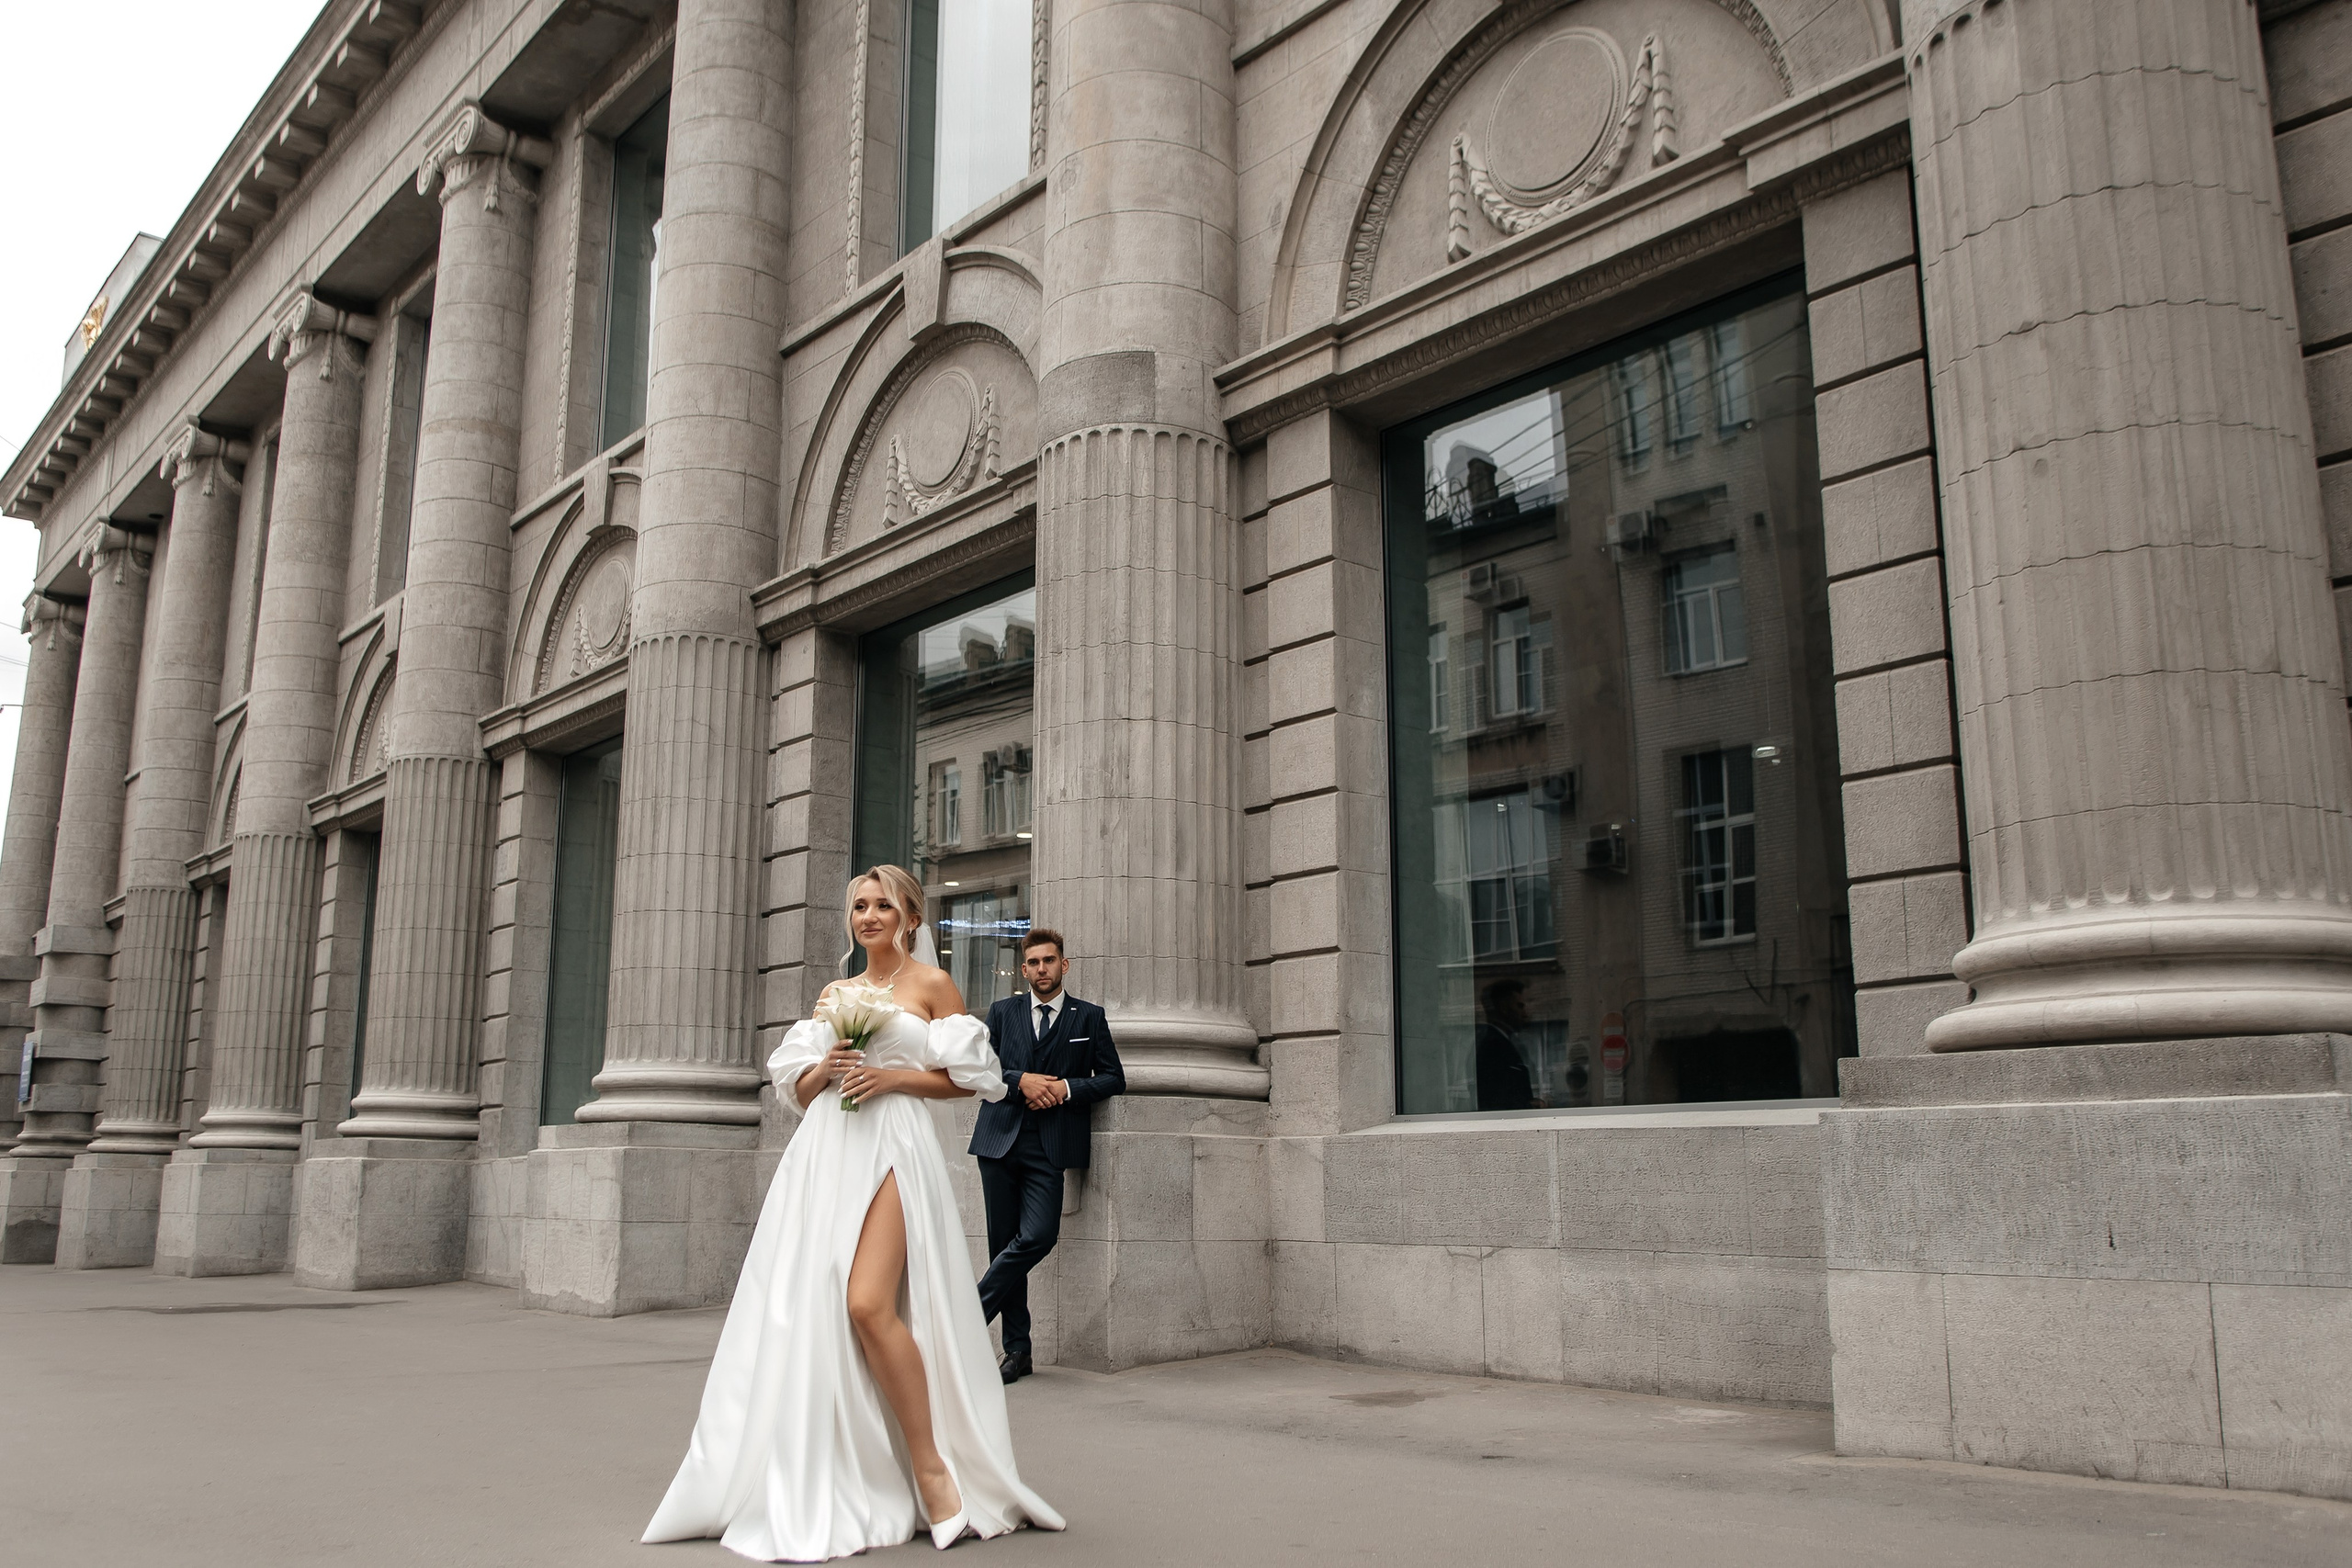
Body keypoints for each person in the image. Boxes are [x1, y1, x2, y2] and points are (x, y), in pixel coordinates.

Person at [643, 865, 1063, 1561]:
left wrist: (892, 1074)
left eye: (883, 905)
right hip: (828, 1150)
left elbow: (974, 1082)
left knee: (869, 1302)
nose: (868, 915)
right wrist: (828, 1064)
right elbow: (802, 1091)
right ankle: (855, 1466)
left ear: (909, 916)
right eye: (859, 906)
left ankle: (933, 1468)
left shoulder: (932, 986)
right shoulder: (834, 993)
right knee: (821, 1309)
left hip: (897, 1144)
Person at [970, 928, 1125, 1383]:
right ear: (1024, 969)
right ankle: (1018, 1351)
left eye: (1049, 961)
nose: (1042, 969)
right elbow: (983, 1069)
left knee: (1037, 1237)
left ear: (1064, 965)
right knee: (1003, 1245)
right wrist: (1023, 1082)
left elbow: (1114, 1077)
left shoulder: (1088, 1017)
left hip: (1050, 1146)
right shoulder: (1002, 1012)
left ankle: (969, 1313)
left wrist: (1064, 1088)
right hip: (999, 1140)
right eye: (1034, 962)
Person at [1475, 978, 1537, 1111]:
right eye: (1519, 1006)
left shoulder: (1500, 1043)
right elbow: (1499, 1099)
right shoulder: (1492, 1047)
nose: (1525, 1014)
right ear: (1504, 1008)